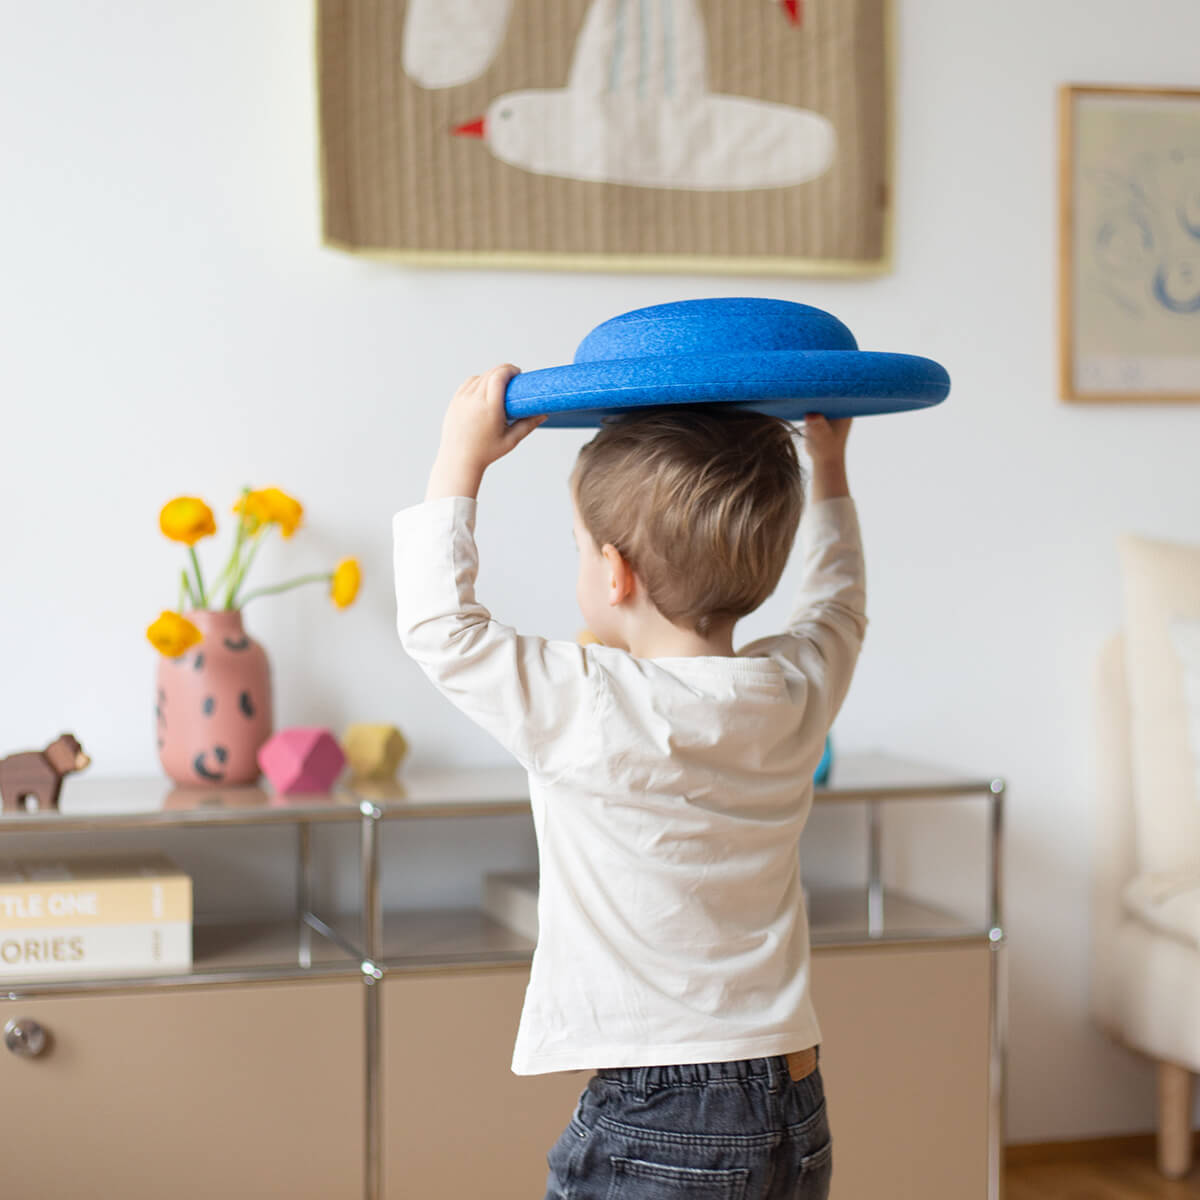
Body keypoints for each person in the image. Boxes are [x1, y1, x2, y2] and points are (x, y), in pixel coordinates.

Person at [392, 362, 866, 1200]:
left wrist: (457, 463)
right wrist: (827, 471)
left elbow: (442, 629)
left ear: (615, 575)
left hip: (663, 1110)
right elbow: (838, 605)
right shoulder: (794, 691)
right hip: (796, 1101)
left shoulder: (592, 702)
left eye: (577, 545)